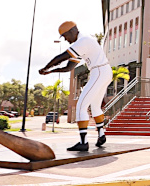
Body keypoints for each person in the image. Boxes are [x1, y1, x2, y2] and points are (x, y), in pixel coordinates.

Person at [39, 21, 111, 151]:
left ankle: (83, 142)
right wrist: (51, 71)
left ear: (72, 31)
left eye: (65, 36)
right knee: (95, 106)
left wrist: (46, 66)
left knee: (81, 106)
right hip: (103, 71)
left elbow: (62, 57)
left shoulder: (84, 40)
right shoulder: (83, 43)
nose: (66, 40)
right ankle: (101, 135)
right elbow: (69, 67)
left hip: (99, 71)